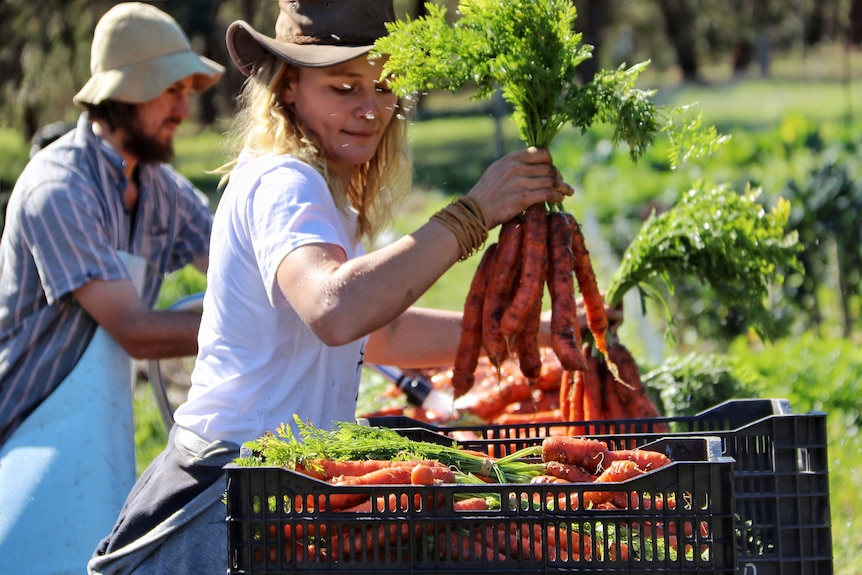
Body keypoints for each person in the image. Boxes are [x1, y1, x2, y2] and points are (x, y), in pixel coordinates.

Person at [87, 1, 574, 573]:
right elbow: (335, 308)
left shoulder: (324, 192)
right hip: (228, 501)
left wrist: (542, 333)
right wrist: (471, 216)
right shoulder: (283, 181)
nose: (371, 110)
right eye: (344, 88)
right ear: (289, 86)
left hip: (287, 486)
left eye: (384, 86)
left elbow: (379, 330)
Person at [0, 3, 223, 573]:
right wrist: (259, 323)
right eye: (169, 89)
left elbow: (235, 266)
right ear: (123, 94)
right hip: (23, 435)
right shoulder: (59, 188)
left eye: (187, 89)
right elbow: (136, 331)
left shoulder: (158, 189)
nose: (183, 106)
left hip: (96, 438)